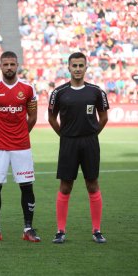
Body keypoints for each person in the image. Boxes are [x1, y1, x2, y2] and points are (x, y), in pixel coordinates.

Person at [48, 52, 109, 244]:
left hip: (90, 142)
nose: (77, 69)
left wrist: (92, 134)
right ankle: (60, 230)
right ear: (68, 67)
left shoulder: (96, 91)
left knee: (92, 184)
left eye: (81, 65)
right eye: (74, 66)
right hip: (68, 143)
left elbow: (104, 117)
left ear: (86, 67)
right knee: (66, 186)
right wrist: (64, 136)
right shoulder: (59, 92)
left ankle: (97, 230)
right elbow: (51, 118)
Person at [0, 51, 40, 243]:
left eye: (12, 64)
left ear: (17, 65)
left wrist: (21, 133)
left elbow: (32, 117)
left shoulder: (28, 89)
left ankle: (28, 229)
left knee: (27, 187)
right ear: (0, 66)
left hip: (21, 146)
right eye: (5, 64)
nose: (9, 67)